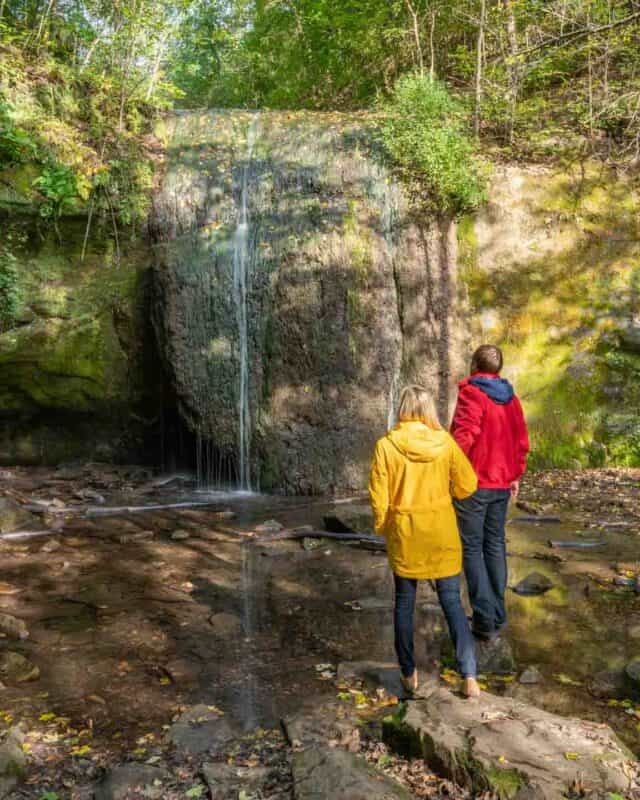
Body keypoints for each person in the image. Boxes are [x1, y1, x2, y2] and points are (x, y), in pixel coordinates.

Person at [369, 384, 480, 698]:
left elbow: (378, 497)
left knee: (404, 604)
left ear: (402, 408)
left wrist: (383, 526)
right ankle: (469, 677)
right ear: (429, 410)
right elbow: (468, 484)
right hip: (441, 531)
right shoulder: (444, 443)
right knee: (452, 604)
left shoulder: (386, 446)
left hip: (406, 532)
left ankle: (408, 674)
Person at [451, 344, 529, 642]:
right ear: (498, 368)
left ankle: (484, 619)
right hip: (501, 484)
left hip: (474, 483)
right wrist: (515, 474)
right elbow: (521, 440)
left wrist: (450, 471)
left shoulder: (472, 392)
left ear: (474, 365)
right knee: (494, 545)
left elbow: (464, 437)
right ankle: (498, 613)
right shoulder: (511, 398)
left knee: (472, 548)